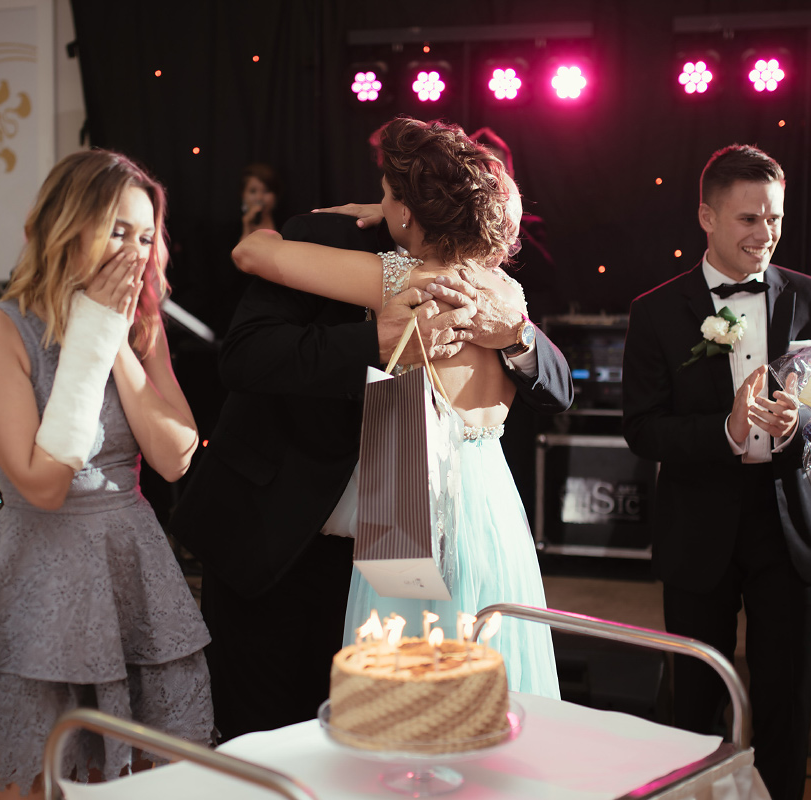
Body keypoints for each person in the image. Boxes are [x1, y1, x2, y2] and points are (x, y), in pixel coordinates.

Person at [227, 116, 568, 702]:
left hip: (413, 517)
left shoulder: (401, 278)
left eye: (386, 193)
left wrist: (371, 216)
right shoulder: (505, 295)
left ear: (408, 210)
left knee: (403, 693)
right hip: (493, 518)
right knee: (490, 679)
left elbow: (255, 253)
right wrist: (398, 211)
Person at [0, 150, 213, 797]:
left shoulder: (139, 326)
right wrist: (90, 334)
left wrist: (114, 338)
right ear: (66, 226)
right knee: (53, 777)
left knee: (146, 777)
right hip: (43, 572)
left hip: (130, 564)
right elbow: (43, 483)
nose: (135, 252)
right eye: (119, 231)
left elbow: (175, 455)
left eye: (146, 237)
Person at [621, 144, 811, 800]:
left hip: (792, 526)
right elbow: (642, 429)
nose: (764, 233)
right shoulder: (656, 310)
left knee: (788, 708)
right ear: (707, 217)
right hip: (698, 526)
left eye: (774, 218)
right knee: (694, 710)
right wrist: (726, 429)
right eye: (748, 219)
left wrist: (801, 422)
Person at [239, 162, 280, 238]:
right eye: (253, 191)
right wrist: (246, 227)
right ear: (243, 194)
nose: (259, 198)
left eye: (266, 191)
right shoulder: (231, 226)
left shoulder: (287, 224)